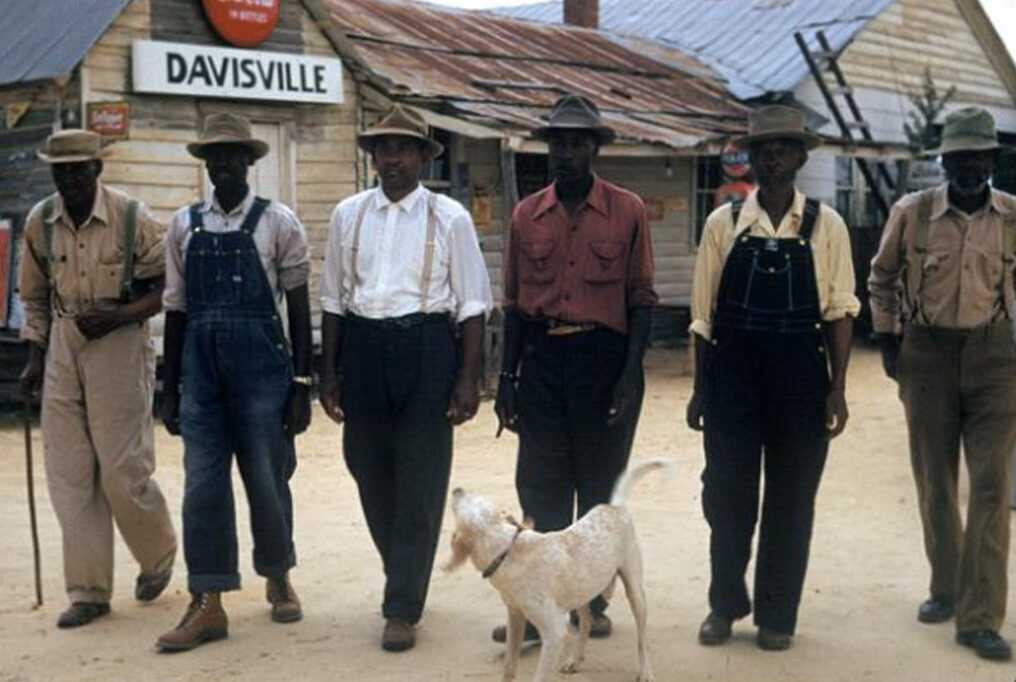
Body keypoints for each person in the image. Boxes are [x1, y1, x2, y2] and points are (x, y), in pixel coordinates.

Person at [318, 105, 492, 652]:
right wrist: (329, 374)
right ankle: (406, 569)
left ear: (422, 155)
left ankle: (401, 607)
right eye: (382, 149)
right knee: (368, 469)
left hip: (426, 348)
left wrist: (468, 379)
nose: (391, 159)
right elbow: (332, 300)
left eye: (403, 148)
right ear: (372, 157)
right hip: (364, 350)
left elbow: (472, 304)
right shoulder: (348, 214)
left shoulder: (450, 218)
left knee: (419, 481)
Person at [687, 105, 859, 651]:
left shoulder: (826, 225)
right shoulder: (725, 223)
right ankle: (724, 605)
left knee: (791, 499)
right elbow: (701, 315)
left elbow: (840, 310)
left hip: (800, 379)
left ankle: (778, 616)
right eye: (764, 148)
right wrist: (700, 388)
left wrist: (837, 389)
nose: (773, 156)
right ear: (751, 158)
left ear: (802, 157)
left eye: (784, 147)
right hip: (732, 375)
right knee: (727, 495)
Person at [492, 93, 657, 643]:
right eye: (558, 142)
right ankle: (547, 606)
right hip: (541, 359)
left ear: (594, 149)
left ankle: (593, 604)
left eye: (578, 142)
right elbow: (514, 305)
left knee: (599, 488)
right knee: (540, 485)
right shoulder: (525, 214)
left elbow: (641, 298)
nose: (567, 152)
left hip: (603, 359)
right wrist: (507, 380)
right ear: (549, 148)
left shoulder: (628, 210)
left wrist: (631, 374)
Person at [156, 113, 312, 652]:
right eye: (214, 157)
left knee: (267, 477)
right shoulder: (183, 224)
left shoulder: (278, 222)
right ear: (205, 165)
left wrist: (302, 383)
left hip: (262, 372)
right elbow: (175, 308)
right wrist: (168, 385)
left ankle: (277, 574)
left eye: (233, 156)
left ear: (249, 162)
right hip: (200, 370)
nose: (224, 166)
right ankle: (208, 599)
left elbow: (298, 305)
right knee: (202, 483)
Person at [868, 106, 1016, 662]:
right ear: (944, 160)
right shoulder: (914, 212)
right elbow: (881, 277)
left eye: (979, 156)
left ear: (992, 159)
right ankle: (946, 588)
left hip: (996, 354)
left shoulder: (1012, 216)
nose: (970, 166)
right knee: (934, 480)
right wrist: (888, 342)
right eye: (959, 157)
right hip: (926, 352)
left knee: (991, 486)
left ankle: (980, 617)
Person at [18, 129, 177, 628]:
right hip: (65, 344)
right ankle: (88, 591)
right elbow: (35, 298)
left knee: (121, 468)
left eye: (79, 169)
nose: (69, 180)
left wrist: (119, 315)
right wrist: (34, 358)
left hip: (119, 341)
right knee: (69, 472)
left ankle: (157, 555)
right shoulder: (40, 222)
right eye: (60, 171)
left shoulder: (133, 218)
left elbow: (166, 288)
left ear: (97, 169)